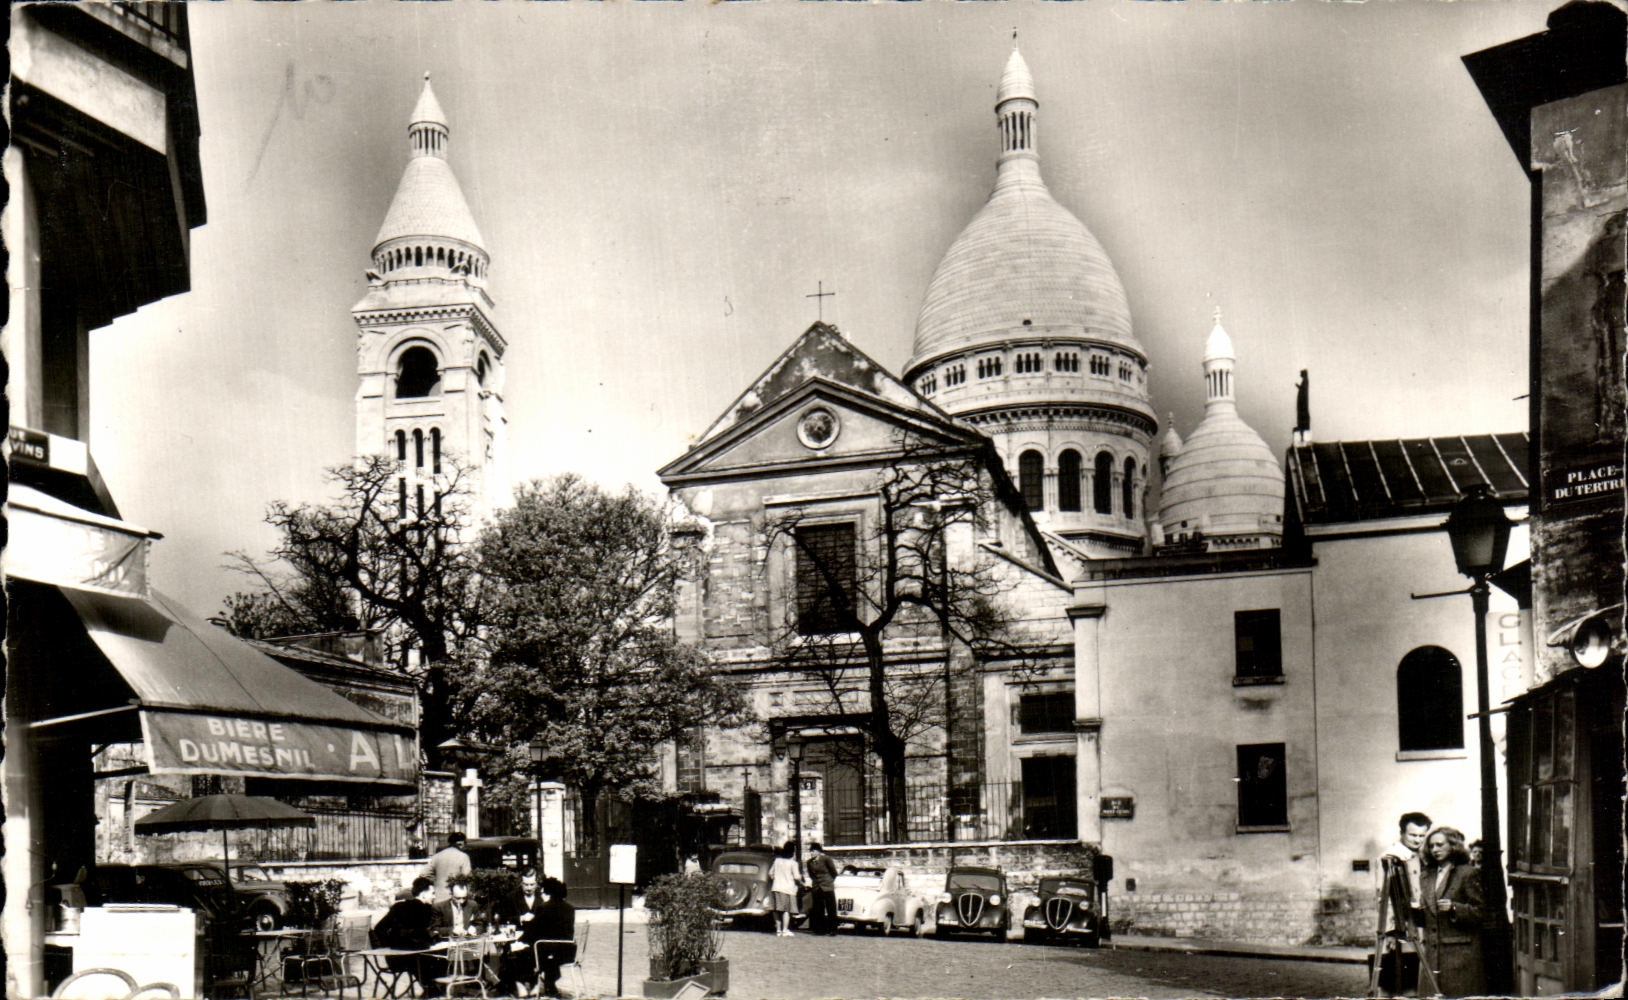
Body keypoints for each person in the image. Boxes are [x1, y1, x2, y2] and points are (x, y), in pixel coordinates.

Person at [1421, 826, 1487, 998]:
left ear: (1452, 845)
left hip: (1460, 956)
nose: (1435, 850)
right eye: (1431, 846)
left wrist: (1454, 908)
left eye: (1440, 845)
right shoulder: (1426, 875)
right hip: (1433, 955)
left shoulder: (1467, 873)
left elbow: (1481, 912)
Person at [1375, 811, 1431, 997]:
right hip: (1402, 921)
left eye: (1422, 835)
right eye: (1413, 835)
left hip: (1422, 919)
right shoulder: (1390, 857)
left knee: (1422, 970)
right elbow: (1384, 896)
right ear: (1402, 833)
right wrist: (1391, 930)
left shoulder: (1424, 855)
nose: (1417, 840)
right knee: (1401, 974)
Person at [372, 877, 444, 995]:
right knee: (439, 960)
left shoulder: (400, 907)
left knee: (434, 959)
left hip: (397, 958)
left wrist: (389, 946)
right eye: (432, 893)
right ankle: (433, 991)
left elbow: (379, 928)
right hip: (409, 959)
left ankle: (431, 990)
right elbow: (424, 935)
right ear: (423, 894)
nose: (434, 896)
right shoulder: (425, 910)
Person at [494, 869, 549, 997]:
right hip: (517, 937)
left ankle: (534, 983)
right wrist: (520, 918)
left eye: (532, 884)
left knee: (539, 950)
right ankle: (520, 983)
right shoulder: (512, 897)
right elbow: (503, 918)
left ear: (536, 883)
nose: (529, 888)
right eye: (526, 884)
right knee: (516, 951)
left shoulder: (543, 898)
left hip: (537, 938)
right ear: (521, 883)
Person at [530, 877, 576, 999]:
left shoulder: (543, 908)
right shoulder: (570, 908)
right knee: (546, 952)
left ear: (548, 893)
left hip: (549, 952)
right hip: (568, 952)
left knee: (524, 953)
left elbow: (534, 931)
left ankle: (532, 983)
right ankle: (550, 985)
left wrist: (521, 939)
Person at [419, 831, 472, 903]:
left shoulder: (437, 856)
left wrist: (436, 881)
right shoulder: (463, 857)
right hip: (455, 898)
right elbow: (466, 877)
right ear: (462, 844)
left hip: (438, 897)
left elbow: (423, 874)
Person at [768, 841, 804, 937]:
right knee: (786, 910)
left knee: (776, 910)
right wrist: (801, 881)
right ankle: (785, 930)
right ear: (793, 852)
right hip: (788, 889)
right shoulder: (793, 863)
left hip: (776, 887)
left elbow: (770, 873)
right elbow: (797, 877)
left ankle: (778, 930)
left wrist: (776, 878)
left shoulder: (777, 861)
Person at [804, 842, 839, 936]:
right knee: (818, 908)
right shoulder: (809, 862)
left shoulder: (826, 859)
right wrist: (815, 883)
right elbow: (811, 875)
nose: (812, 853)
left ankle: (833, 929)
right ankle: (820, 929)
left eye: (814, 851)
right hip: (817, 887)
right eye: (811, 851)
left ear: (819, 851)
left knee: (831, 908)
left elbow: (834, 872)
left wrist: (828, 881)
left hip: (827, 886)